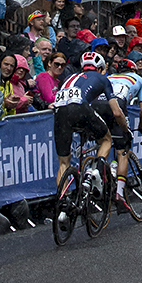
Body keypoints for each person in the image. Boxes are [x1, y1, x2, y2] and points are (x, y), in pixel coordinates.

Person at [52, 51, 129, 201]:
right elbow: (117, 113)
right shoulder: (102, 78)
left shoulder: (69, 77)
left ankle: (63, 204)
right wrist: (125, 129)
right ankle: (96, 171)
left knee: (63, 162)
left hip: (60, 112)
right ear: (100, 68)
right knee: (106, 140)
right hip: (80, 108)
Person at [106, 57, 142, 214]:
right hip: (118, 104)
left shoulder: (109, 77)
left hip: (99, 105)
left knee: (103, 141)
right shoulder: (138, 79)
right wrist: (141, 125)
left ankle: (99, 172)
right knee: (122, 150)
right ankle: (119, 193)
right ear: (133, 70)